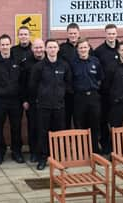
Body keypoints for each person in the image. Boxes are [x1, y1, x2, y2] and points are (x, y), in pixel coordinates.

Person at [29, 39, 71, 170]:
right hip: (43, 107)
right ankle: (43, 158)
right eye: (50, 47)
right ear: (45, 50)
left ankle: (59, 158)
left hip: (59, 106)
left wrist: (61, 96)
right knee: (43, 133)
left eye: (54, 47)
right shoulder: (39, 67)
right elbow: (32, 86)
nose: (52, 49)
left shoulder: (64, 66)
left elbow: (68, 84)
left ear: (58, 49)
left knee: (59, 133)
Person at [0, 34, 25, 164]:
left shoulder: (17, 60)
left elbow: (22, 80)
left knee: (16, 127)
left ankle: (17, 152)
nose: (5, 47)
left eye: (7, 44)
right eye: (2, 44)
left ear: (10, 44)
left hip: (15, 101)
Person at [70, 38, 104, 152]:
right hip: (79, 98)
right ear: (77, 49)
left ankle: (95, 151)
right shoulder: (73, 63)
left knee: (95, 125)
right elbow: (70, 81)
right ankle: (82, 151)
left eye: (85, 47)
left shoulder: (95, 61)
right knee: (80, 125)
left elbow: (100, 79)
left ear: (89, 48)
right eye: (81, 48)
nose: (83, 49)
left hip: (94, 97)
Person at [94, 23, 120, 154]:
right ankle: (105, 146)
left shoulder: (122, 49)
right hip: (104, 93)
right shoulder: (99, 51)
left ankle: (117, 148)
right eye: (109, 33)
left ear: (117, 34)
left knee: (116, 122)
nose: (111, 36)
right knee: (103, 121)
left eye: (113, 33)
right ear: (105, 34)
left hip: (119, 93)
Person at [21, 38, 46, 162]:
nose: (39, 50)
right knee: (33, 127)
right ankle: (34, 153)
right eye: (36, 47)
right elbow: (22, 83)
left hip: (47, 101)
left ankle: (45, 152)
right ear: (32, 49)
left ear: (44, 48)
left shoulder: (49, 60)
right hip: (32, 101)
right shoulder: (26, 63)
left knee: (45, 127)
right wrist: (24, 100)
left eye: (41, 47)